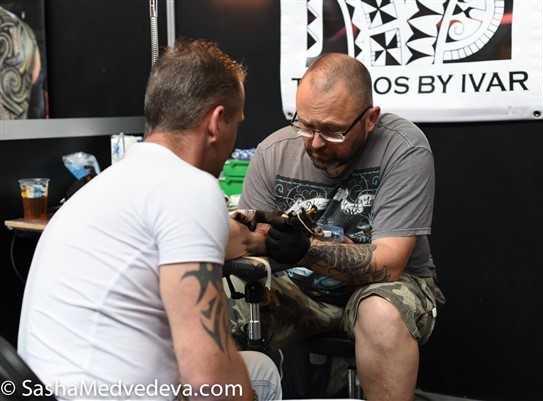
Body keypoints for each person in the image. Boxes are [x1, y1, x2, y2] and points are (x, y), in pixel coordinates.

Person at [18, 39, 281, 401]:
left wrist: (258, 237)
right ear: (216, 122)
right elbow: (209, 382)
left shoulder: (111, 183)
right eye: (236, 124)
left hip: (45, 389)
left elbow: (218, 237)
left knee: (259, 370)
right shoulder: (188, 187)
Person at [230, 52, 445, 401]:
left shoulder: (403, 148)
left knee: (380, 312)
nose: (315, 142)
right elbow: (248, 238)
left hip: (387, 287)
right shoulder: (273, 152)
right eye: (305, 125)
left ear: (370, 119)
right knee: (211, 301)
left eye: (332, 131)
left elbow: (390, 263)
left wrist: (306, 250)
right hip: (297, 289)